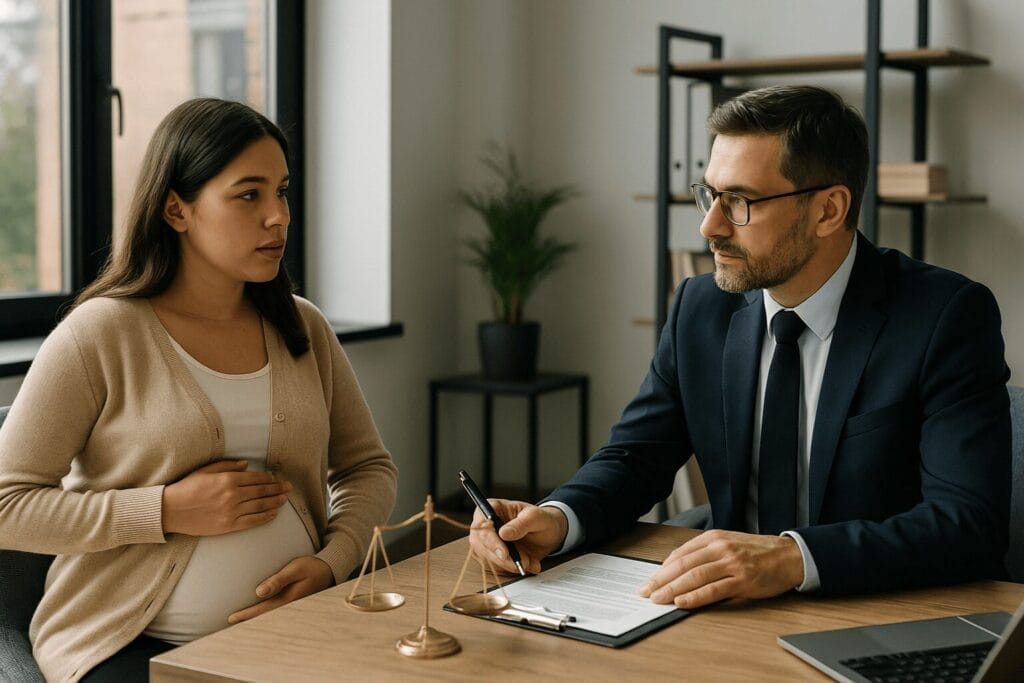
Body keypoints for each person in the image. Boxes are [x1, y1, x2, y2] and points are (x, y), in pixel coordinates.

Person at [469, 85, 1010, 610]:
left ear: (828, 210)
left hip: (869, 608)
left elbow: (966, 523)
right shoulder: (701, 307)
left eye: (740, 201)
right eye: (710, 194)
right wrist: (558, 518)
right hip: (724, 608)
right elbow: (637, 458)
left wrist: (791, 559)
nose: (709, 226)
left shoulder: (945, 316)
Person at [0, 98, 398, 682]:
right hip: (129, 647)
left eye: (282, 192)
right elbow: (7, 506)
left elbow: (368, 468)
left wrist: (331, 564)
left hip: (293, 633)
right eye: (248, 194)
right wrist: (163, 510)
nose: (278, 216)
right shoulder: (100, 334)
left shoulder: (302, 326)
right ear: (176, 210)